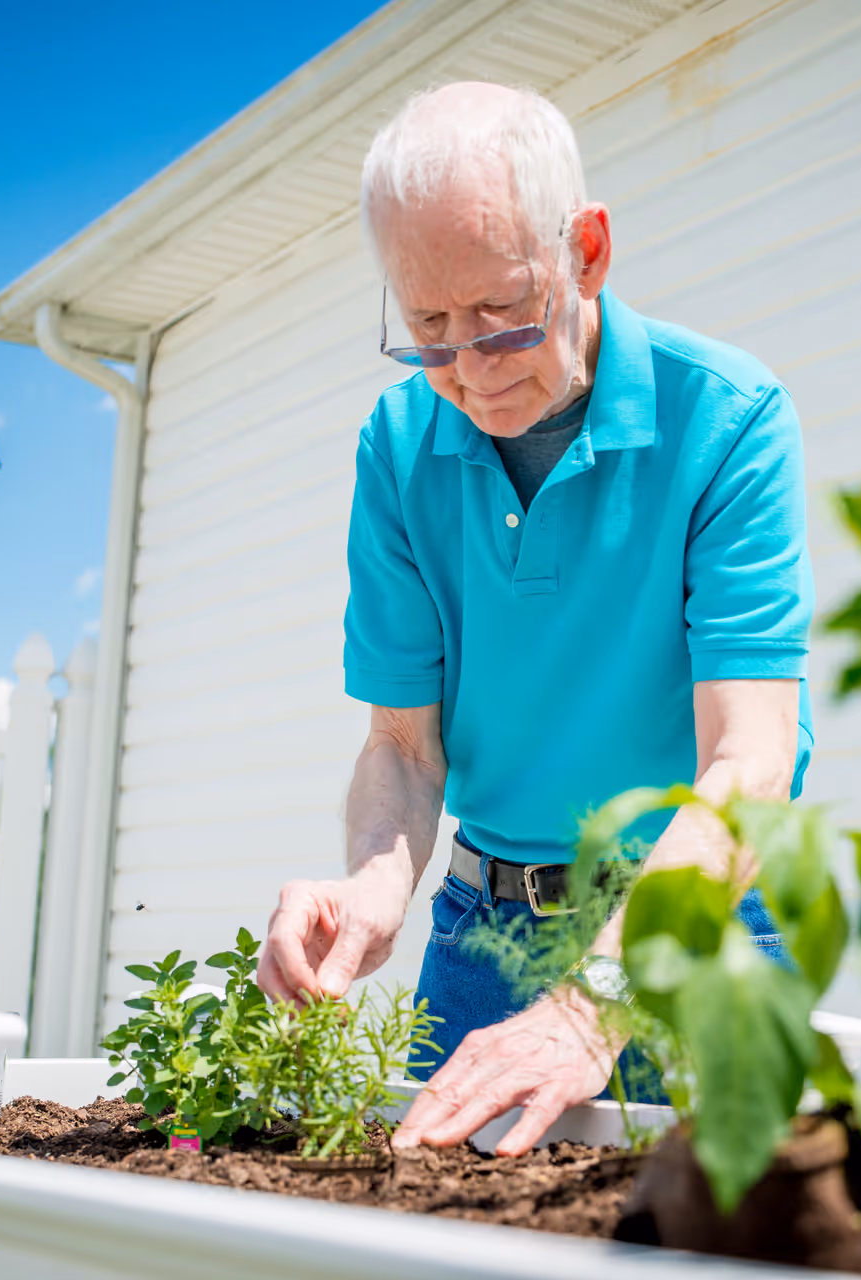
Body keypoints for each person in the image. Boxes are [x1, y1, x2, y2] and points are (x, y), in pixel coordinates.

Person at [258, 81, 813, 1157]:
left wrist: (592, 1004)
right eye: (428, 327)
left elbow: (751, 760)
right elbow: (401, 748)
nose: (467, 371)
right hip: (482, 930)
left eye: (503, 319)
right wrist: (373, 884)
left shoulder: (728, 418)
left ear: (588, 253)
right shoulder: (399, 441)